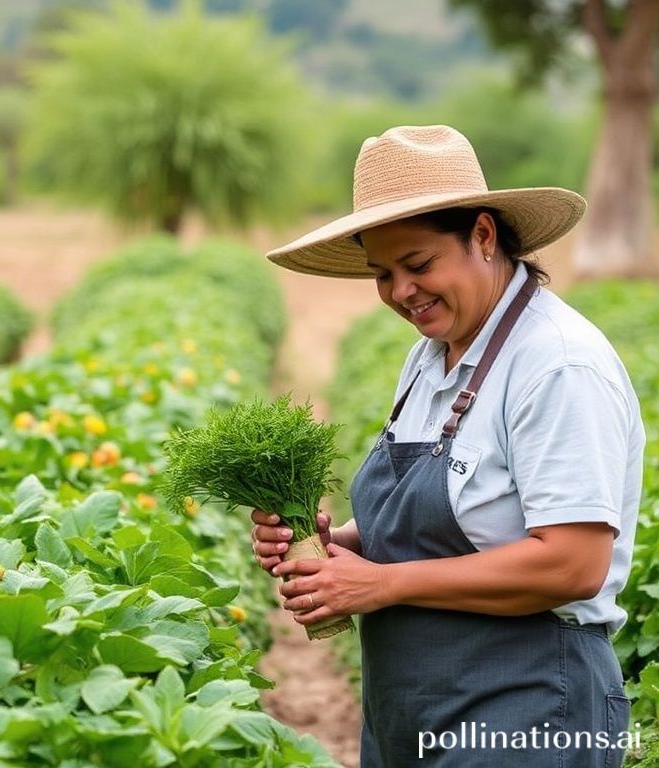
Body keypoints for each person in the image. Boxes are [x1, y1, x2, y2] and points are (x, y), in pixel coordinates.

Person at [250, 125, 645, 767]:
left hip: (528, 705)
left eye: (419, 265)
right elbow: (460, 517)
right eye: (383, 274)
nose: (402, 292)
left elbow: (573, 564)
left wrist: (380, 584)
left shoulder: (556, 364)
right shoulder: (431, 357)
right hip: (413, 708)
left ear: (483, 236)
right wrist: (337, 548)